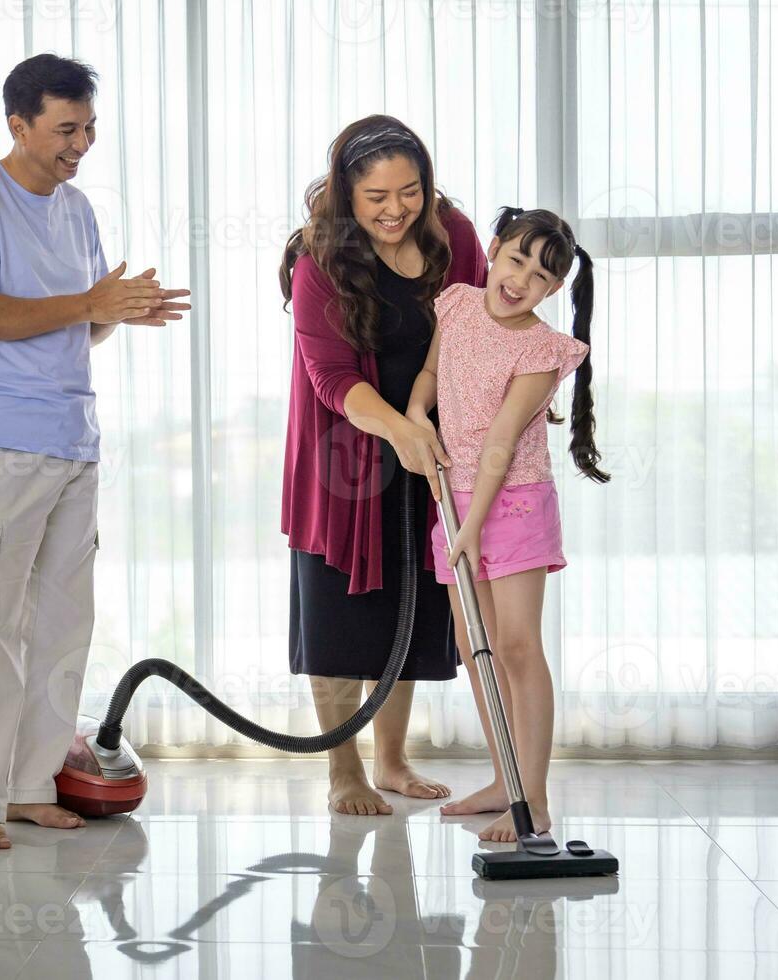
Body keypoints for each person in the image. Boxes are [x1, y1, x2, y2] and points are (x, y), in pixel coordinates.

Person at [0, 54, 190, 850]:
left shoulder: (77, 210)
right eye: (65, 130)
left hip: (73, 439)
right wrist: (89, 302)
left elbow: (78, 322)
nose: (80, 145)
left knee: (62, 627)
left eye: (89, 129)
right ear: (19, 125)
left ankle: (29, 784)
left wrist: (120, 312)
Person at [280, 115, 488, 817]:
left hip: (431, 440)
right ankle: (344, 771)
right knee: (341, 613)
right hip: (344, 453)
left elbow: (478, 323)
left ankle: (392, 760)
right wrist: (399, 427)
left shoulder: (451, 235)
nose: (397, 209)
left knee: (410, 599)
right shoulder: (320, 262)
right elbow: (331, 378)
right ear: (347, 194)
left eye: (410, 191)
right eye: (376, 197)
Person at [410, 206, 609, 841]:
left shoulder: (542, 350)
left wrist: (470, 532)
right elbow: (433, 375)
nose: (521, 278)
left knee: (518, 647)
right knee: (476, 651)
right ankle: (504, 783)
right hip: (453, 500)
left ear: (554, 289)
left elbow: (500, 440)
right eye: (516, 258)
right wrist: (416, 411)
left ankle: (536, 798)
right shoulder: (458, 304)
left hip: (515, 503)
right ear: (494, 249)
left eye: (542, 275)